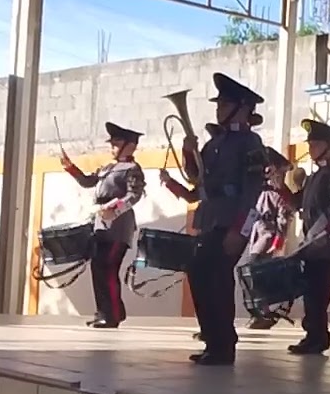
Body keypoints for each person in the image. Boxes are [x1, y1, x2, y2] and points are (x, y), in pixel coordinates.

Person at [159, 72, 268, 366]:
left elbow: (253, 191)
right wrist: (187, 150)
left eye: (225, 104)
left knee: (216, 277)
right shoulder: (216, 143)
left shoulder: (251, 142)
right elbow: (198, 178)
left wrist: (240, 230)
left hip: (231, 220)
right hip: (211, 218)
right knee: (201, 273)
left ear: (243, 107)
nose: (218, 109)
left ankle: (222, 344)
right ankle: (214, 338)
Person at [60, 122, 147, 329]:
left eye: (117, 143)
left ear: (130, 146)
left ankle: (113, 314)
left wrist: (113, 208)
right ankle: (105, 311)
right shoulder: (107, 167)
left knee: (107, 266)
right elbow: (88, 182)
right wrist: (71, 168)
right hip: (101, 224)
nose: (112, 147)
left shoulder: (133, 169)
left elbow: (133, 195)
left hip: (118, 225)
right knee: (98, 266)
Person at [286, 118, 330, 355]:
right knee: (311, 292)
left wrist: (325, 237)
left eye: (316, 144)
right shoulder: (315, 177)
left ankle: (317, 337)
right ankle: (313, 334)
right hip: (312, 244)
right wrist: (278, 184)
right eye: (310, 144)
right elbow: (297, 203)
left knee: (318, 292)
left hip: (324, 246)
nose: (311, 148)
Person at [241, 147, 299, 330]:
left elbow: (284, 221)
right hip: (257, 237)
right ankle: (262, 312)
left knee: (254, 274)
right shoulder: (262, 190)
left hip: (267, 239)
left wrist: (277, 245)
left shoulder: (281, 194)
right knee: (255, 278)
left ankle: (266, 311)